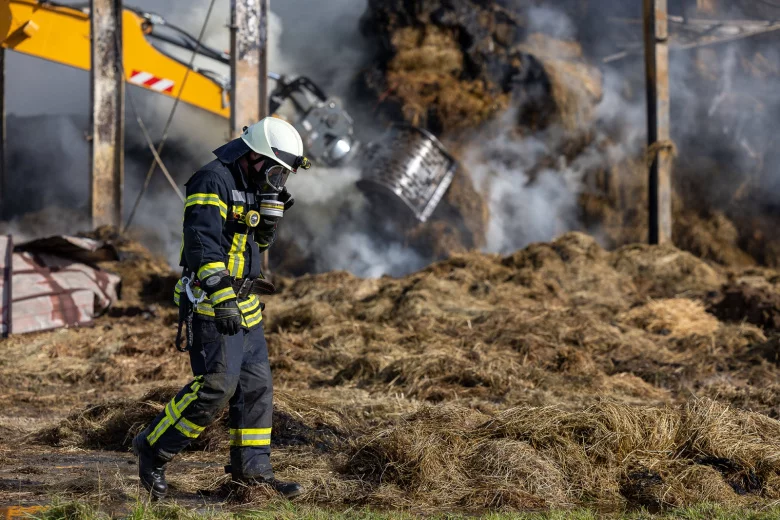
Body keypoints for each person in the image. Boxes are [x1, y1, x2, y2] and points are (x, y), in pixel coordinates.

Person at [132, 117, 311, 500]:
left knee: (256, 388)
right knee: (217, 386)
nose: (279, 179)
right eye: (277, 171)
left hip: (245, 303)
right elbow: (202, 246)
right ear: (256, 156)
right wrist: (222, 297)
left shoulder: (253, 184)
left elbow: (253, 242)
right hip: (212, 302)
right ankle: (153, 448)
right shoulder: (212, 180)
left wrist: (270, 217)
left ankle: (253, 475)